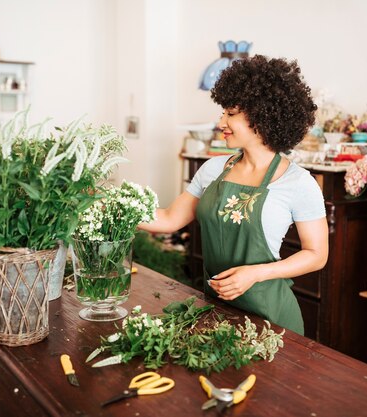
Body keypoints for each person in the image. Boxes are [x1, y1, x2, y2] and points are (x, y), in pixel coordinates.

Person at [139, 55, 328, 335]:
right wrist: (115, 208)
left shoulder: (298, 183)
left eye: (230, 112)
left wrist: (257, 273)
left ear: (261, 117)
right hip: (216, 310)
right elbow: (168, 218)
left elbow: (316, 254)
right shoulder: (213, 169)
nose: (221, 121)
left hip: (271, 321)